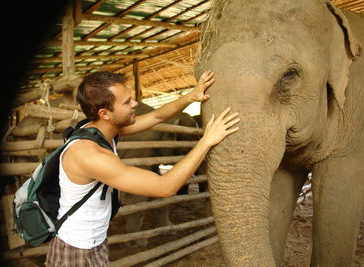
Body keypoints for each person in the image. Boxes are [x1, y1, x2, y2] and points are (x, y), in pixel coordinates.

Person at [45, 70, 240, 266]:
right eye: (127, 102)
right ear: (105, 113)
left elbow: (156, 117)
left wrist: (191, 96)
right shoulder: (90, 155)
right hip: (75, 250)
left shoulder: (101, 130)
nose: (135, 104)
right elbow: (165, 187)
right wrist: (206, 142)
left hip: (94, 242)